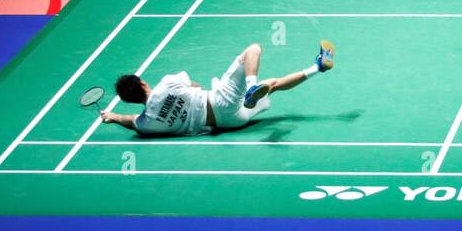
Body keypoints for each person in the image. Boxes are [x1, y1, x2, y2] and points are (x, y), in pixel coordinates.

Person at [105, 41, 335, 136]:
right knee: (253, 51)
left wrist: (113, 116)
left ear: (132, 100)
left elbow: (130, 120)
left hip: (229, 122)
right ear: (143, 83)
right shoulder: (167, 83)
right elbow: (194, 84)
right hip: (218, 99)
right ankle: (251, 85)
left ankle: (317, 66)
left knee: (271, 85)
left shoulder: (147, 124)